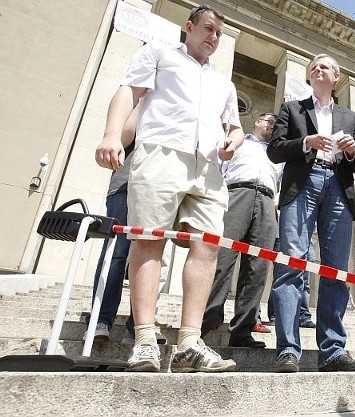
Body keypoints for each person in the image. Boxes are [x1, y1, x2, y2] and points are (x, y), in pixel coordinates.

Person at [95, 4, 242, 373]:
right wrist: (113, 135)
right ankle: (145, 339)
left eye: (219, 34)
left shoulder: (224, 82)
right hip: (161, 152)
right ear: (189, 27)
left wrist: (234, 143)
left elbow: (235, 128)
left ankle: (190, 341)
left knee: (207, 245)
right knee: (149, 239)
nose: (213, 37)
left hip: (207, 167)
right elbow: (128, 91)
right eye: (208, 29)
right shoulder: (158, 54)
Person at [266, 53, 355, 373]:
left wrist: (353, 151)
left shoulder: (350, 117)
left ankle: (333, 351)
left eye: (324, 66)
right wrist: (306, 142)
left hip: (338, 188)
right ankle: (287, 349)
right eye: (313, 66)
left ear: (336, 77)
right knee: (292, 264)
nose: (316, 68)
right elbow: (274, 149)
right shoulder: (292, 109)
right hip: (302, 185)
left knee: (336, 271)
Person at [84, 108, 166, 345]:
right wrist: (144, 102)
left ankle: (139, 324)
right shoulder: (141, 103)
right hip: (125, 186)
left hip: (157, 189)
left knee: (153, 255)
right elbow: (125, 137)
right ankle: (101, 319)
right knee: (117, 254)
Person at [201, 112, 282, 348]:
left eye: (275, 124)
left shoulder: (278, 154)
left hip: (267, 200)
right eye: (268, 120)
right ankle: (207, 320)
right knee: (222, 260)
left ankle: (243, 330)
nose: (271, 125)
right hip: (237, 193)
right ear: (256, 122)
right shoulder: (239, 142)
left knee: (257, 267)